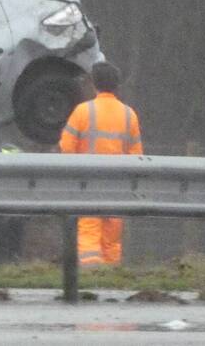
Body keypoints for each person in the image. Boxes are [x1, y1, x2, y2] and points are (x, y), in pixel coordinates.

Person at [59, 61, 143, 266]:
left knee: (88, 231)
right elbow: (137, 156)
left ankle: (91, 273)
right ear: (117, 85)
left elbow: (66, 147)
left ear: (94, 83)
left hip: (87, 183)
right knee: (112, 239)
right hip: (117, 186)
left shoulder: (82, 111)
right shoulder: (129, 115)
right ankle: (111, 275)